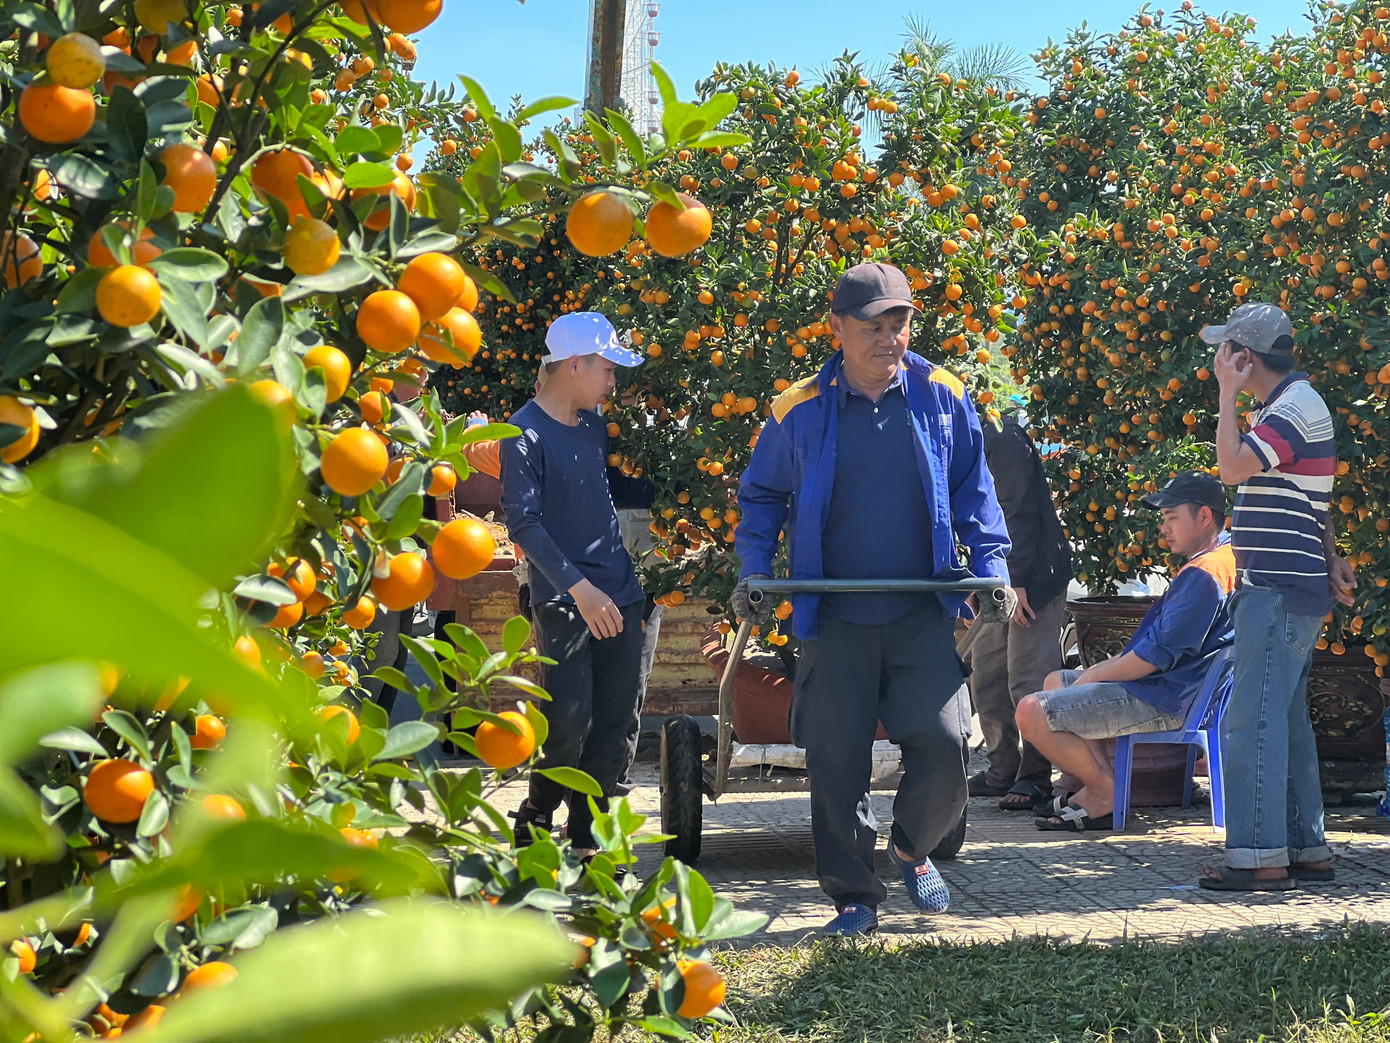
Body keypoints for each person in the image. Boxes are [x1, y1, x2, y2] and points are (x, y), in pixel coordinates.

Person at [733, 261, 1013, 936]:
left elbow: (977, 490)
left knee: (947, 746)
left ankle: (912, 847)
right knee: (837, 765)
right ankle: (855, 897)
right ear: (836, 328)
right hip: (832, 616)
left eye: (900, 323)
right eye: (874, 325)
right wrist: (752, 570)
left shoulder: (942, 394)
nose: (890, 338)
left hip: (922, 612)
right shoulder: (795, 408)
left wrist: (993, 564)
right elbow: (761, 497)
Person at [1197, 303, 1356, 891]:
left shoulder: (1289, 409)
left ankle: (1258, 858)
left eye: (1225, 351)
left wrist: (1226, 395)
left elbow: (1233, 469)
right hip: (1292, 588)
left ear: (1244, 355)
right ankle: (1305, 848)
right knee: (1284, 723)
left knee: (1254, 724)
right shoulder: (1293, 406)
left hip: (1277, 593)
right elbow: (1308, 497)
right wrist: (1330, 556)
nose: (1217, 359)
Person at [499, 312, 647, 857]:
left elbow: (606, 492)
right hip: (566, 599)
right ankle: (539, 805)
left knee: (615, 720)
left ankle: (587, 838)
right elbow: (524, 524)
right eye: (607, 369)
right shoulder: (523, 434)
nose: (612, 380)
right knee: (568, 718)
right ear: (576, 364)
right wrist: (579, 590)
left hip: (621, 594)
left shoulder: (592, 426)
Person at [1016, 471, 1236, 831]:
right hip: (1176, 690)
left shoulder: (1206, 573)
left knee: (1031, 712)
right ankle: (1094, 787)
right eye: (1162, 518)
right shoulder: (1223, 558)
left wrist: (1096, 674)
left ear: (1205, 516)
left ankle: (1106, 793)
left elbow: (1154, 658)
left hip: (1166, 698)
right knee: (1057, 680)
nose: (1163, 527)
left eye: (1171, 517)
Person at [966, 409, 1072, 811]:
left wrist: (1017, 580)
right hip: (990, 580)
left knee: (1027, 679)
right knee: (987, 677)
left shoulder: (999, 434)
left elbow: (1017, 509)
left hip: (1029, 574)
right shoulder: (946, 435)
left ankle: (1035, 775)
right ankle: (1001, 769)